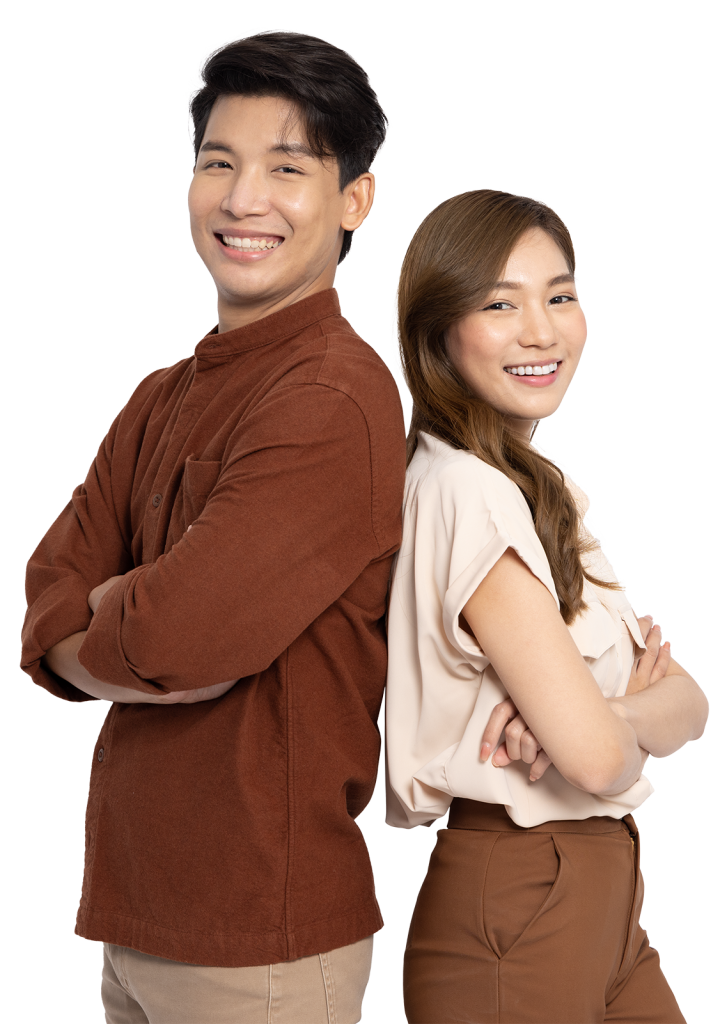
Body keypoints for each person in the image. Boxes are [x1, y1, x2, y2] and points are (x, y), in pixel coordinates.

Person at [20, 31, 406, 1024]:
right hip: (138, 914)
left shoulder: (329, 399)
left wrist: (107, 623)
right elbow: (47, 587)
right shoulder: (162, 393)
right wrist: (119, 621)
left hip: (260, 942)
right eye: (218, 164)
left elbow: (186, 637)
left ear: (351, 201)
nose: (242, 199)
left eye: (288, 167)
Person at [384, 188, 708, 1023]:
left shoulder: (540, 486)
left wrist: (603, 714)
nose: (542, 330)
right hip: (520, 898)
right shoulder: (464, 492)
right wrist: (615, 722)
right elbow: (600, 762)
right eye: (499, 304)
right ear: (438, 332)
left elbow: (690, 702)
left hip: (602, 895)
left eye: (559, 295)